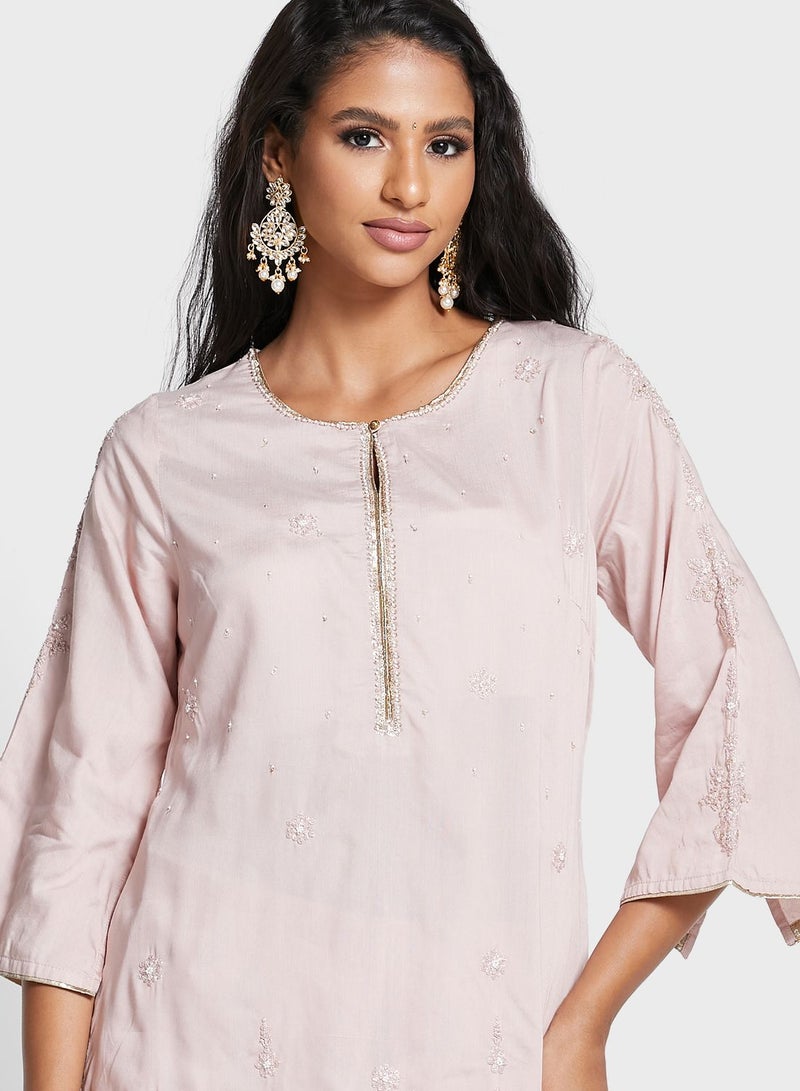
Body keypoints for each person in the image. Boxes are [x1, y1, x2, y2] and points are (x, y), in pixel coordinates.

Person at [1, 0, 798, 1088]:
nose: (410, 186)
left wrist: (582, 1022)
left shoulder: (571, 398)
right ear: (279, 155)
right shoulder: (164, 452)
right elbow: (80, 813)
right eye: (365, 136)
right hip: (188, 1038)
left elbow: (745, 691)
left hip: (486, 1044)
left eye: (446, 144)